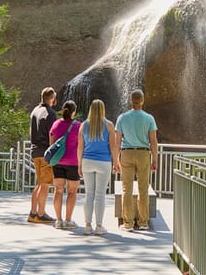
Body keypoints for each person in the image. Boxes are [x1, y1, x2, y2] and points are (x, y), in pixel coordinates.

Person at [115, 89, 158, 231]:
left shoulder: (122, 118)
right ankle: (143, 222)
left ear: (131, 101)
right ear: (142, 101)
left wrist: (115, 159)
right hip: (143, 154)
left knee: (126, 189)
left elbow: (117, 141)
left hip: (126, 153)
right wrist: (155, 159)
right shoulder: (149, 118)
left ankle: (127, 223)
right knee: (143, 188)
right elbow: (153, 141)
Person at [77, 99, 120, 235]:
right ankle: (99, 226)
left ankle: (87, 225)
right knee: (100, 195)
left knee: (89, 194)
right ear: (103, 109)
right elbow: (113, 146)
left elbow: (80, 147)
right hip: (104, 162)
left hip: (87, 161)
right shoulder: (109, 125)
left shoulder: (84, 125)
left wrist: (79, 164)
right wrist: (116, 162)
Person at [49, 100, 81, 230]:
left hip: (57, 161)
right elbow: (81, 145)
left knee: (58, 191)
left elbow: (51, 144)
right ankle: (68, 220)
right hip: (73, 162)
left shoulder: (56, 124)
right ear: (74, 112)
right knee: (72, 192)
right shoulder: (78, 126)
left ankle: (58, 220)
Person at [28, 87, 57, 224]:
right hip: (45, 152)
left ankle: (32, 213)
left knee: (39, 182)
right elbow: (52, 134)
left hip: (34, 151)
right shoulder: (50, 113)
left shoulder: (35, 111)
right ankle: (41, 214)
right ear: (51, 98)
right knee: (45, 184)